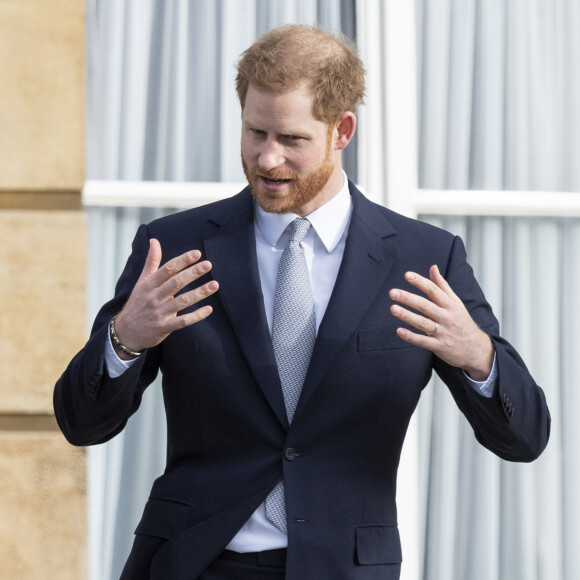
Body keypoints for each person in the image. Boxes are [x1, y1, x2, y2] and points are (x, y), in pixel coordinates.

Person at [54, 24, 550, 580]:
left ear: (343, 130)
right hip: (193, 564)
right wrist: (125, 338)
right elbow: (81, 424)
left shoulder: (423, 259)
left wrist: (478, 354)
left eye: (290, 139)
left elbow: (525, 438)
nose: (267, 159)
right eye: (254, 132)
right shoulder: (173, 250)